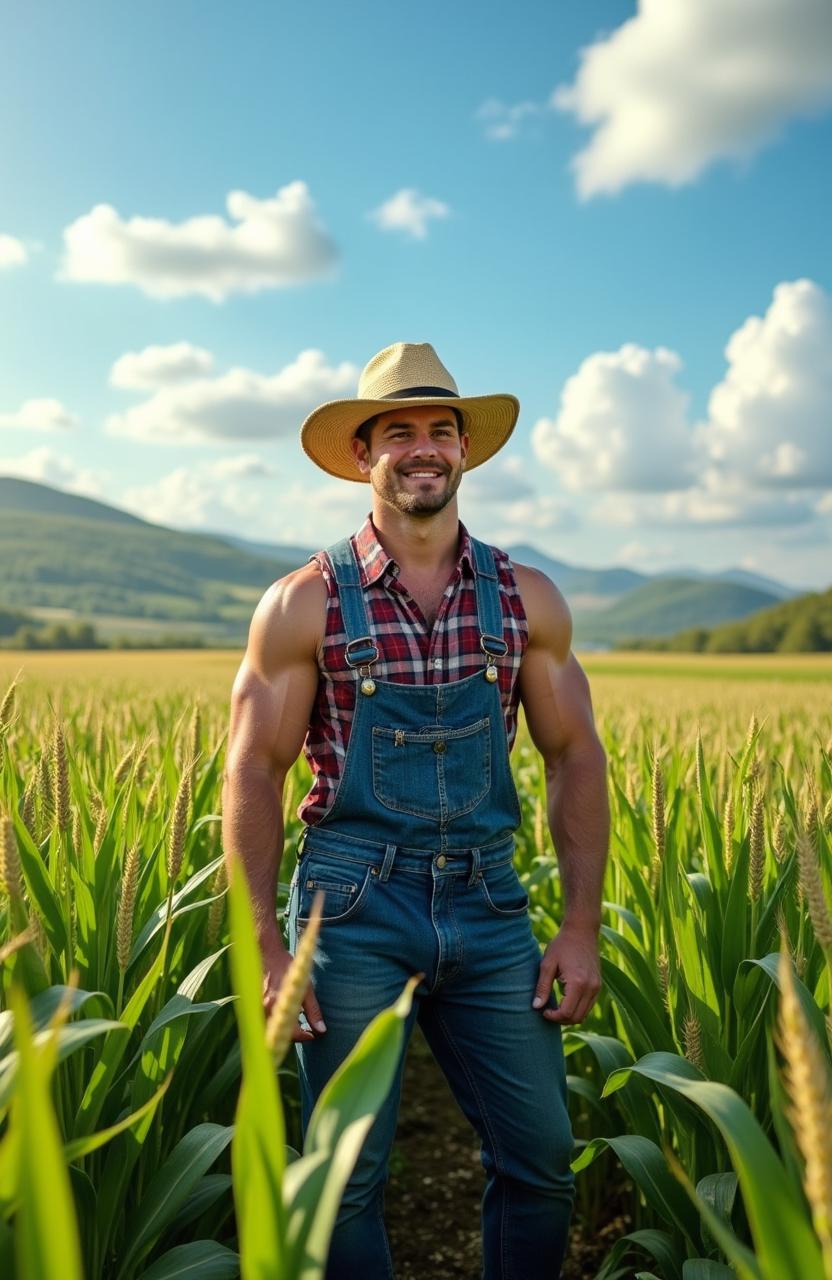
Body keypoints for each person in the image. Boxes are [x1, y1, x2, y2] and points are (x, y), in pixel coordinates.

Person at [222, 342, 609, 1279]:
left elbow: (575, 757)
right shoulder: (303, 602)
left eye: (442, 430)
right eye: (400, 432)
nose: (424, 448)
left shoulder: (527, 596)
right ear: (364, 455)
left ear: (466, 451)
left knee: (544, 1162)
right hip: (350, 913)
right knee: (346, 1174)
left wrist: (580, 926)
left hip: (488, 905)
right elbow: (252, 773)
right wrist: (268, 949)